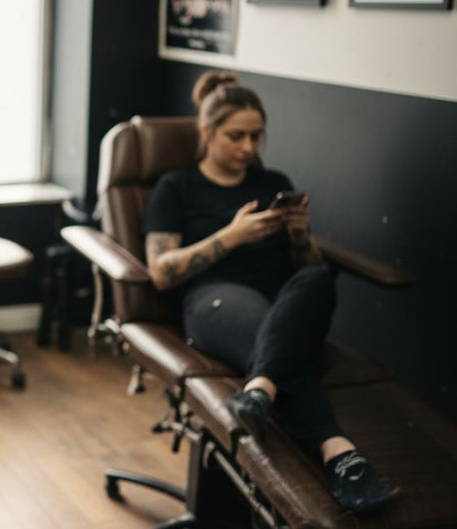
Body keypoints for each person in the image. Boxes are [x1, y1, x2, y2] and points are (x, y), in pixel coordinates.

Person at [142, 71, 400, 512]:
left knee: (317, 280)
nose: (248, 148)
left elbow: (306, 267)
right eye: (236, 136)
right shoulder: (177, 186)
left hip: (287, 299)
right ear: (207, 133)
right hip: (218, 298)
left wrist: (300, 236)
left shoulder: (271, 180)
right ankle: (339, 454)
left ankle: (260, 390)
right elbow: (162, 272)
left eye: (257, 136)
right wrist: (231, 236)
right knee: (283, 348)